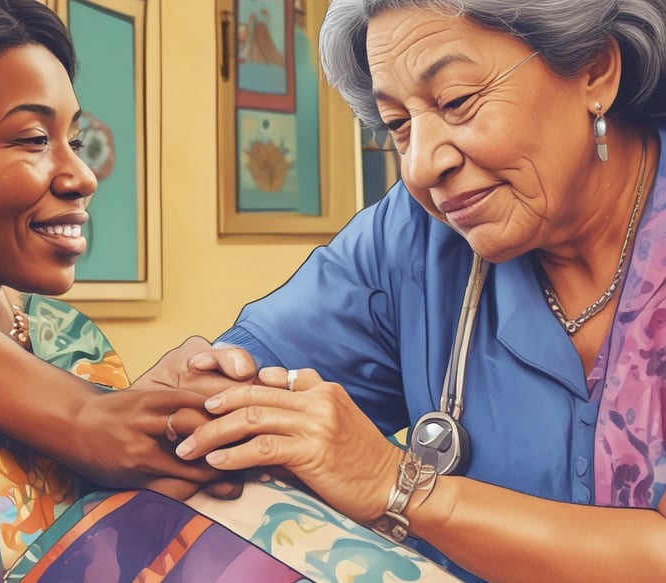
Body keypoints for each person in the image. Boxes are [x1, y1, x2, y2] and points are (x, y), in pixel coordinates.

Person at [160, 0, 666, 581]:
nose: (421, 166)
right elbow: (209, 402)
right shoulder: (414, 236)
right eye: (398, 126)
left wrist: (399, 486)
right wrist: (190, 397)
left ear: (594, 69)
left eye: (456, 101)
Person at [0, 1, 309, 580]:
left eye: (76, 140)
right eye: (34, 138)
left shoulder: (68, 339)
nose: (83, 176)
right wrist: (82, 417)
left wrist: (196, 434)